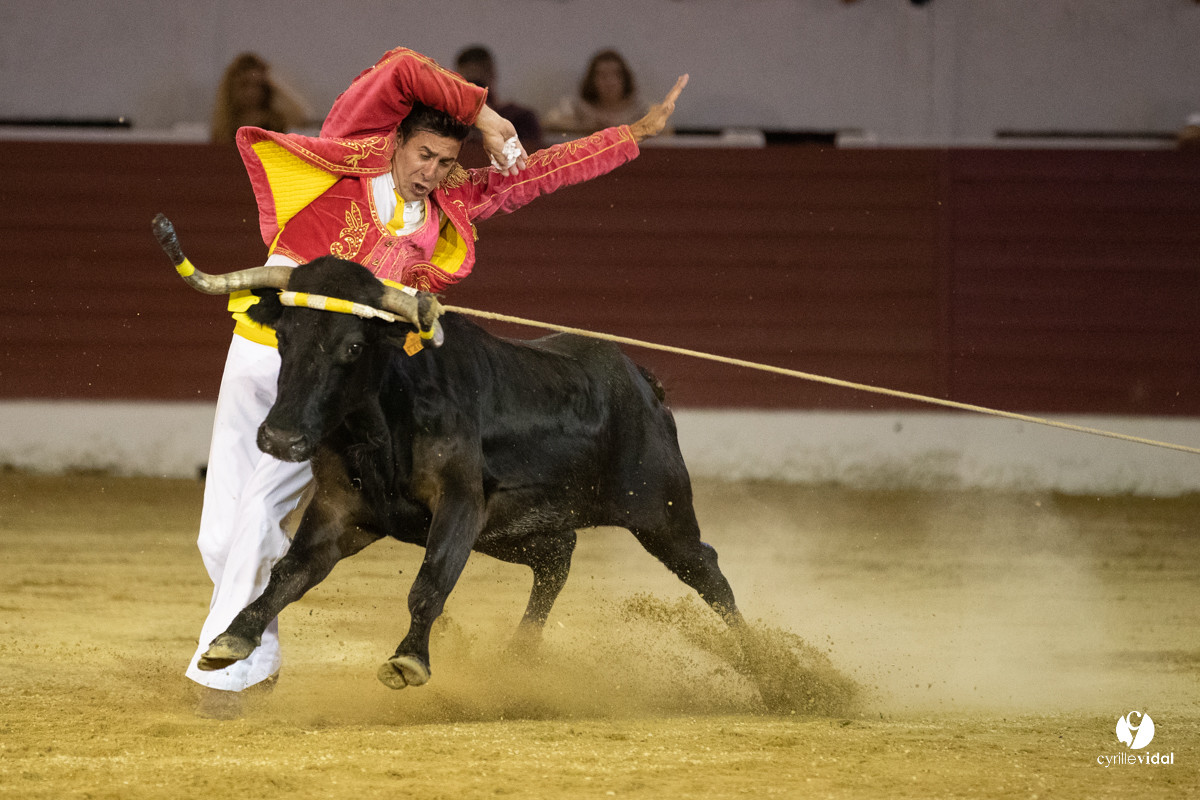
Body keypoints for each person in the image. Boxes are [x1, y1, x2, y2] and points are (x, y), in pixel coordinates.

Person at [187, 44, 688, 718]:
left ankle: (231, 675)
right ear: (395, 141)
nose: (432, 172)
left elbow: (534, 177)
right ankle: (258, 654)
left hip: (333, 384)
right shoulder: (347, 156)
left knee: (256, 520)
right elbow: (400, 67)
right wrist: (484, 115)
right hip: (260, 352)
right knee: (217, 538)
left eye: (446, 163)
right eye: (424, 155)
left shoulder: (450, 204)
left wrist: (630, 134)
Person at [454, 45, 544, 151]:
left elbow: (531, 156)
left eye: (478, 84)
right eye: (469, 83)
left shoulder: (520, 118)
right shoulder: (451, 120)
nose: (476, 91)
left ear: (491, 73)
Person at [210, 52, 310, 144]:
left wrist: (272, 82)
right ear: (232, 88)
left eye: (258, 86)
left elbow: (301, 118)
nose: (251, 92)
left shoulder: (273, 121)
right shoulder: (225, 125)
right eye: (244, 85)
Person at [543, 49, 648, 135]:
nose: (609, 82)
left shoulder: (641, 110)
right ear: (592, 80)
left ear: (625, 79)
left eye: (616, 75)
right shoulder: (575, 108)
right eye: (602, 76)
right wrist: (587, 127)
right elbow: (548, 124)